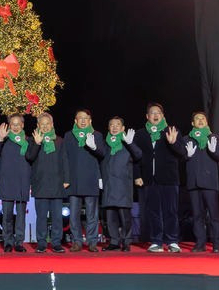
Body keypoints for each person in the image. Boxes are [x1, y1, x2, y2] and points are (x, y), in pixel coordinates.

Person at [134, 102, 185, 253]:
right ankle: (156, 241)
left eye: (158, 113)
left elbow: (182, 153)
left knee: (171, 211)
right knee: (153, 211)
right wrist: (137, 175)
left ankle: (172, 241)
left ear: (163, 116)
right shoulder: (141, 134)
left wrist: (174, 143)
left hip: (169, 178)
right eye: (152, 113)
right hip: (149, 179)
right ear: (147, 116)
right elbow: (135, 157)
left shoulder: (172, 130)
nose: (155, 115)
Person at [0, 113, 39, 253]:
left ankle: (19, 242)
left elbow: (30, 157)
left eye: (18, 124)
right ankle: (7, 242)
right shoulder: (4, 140)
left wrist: (36, 144)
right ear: (9, 125)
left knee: (20, 216)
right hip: (6, 181)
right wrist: (0, 138)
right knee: (6, 216)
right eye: (13, 124)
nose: (16, 126)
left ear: (23, 125)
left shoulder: (28, 140)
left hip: (22, 181)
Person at [62, 109, 106, 252]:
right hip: (73, 181)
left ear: (90, 120)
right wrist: (66, 178)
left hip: (91, 179)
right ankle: (77, 241)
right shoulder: (69, 136)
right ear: (75, 121)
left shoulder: (97, 135)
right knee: (73, 214)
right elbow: (65, 158)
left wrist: (94, 147)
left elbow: (102, 154)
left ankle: (92, 242)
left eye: (85, 118)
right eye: (79, 118)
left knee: (92, 214)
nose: (82, 120)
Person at [183, 111, 219, 253]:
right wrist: (186, 156)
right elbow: (181, 158)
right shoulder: (187, 139)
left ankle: (217, 244)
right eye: (197, 119)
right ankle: (200, 243)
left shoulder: (214, 138)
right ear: (192, 123)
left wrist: (213, 151)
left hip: (210, 182)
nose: (200, 121)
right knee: (197, 215)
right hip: (194, 182)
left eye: (203, 119)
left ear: (207, 122)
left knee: (214, 214)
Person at [28, 112, 68, 254]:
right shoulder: (33, 140)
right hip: (40, 184)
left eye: (47, 124)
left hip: (57, 184)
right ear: (38, 126)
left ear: (52, 125)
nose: (45, 126)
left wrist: (66, 180)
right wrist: (37, 143)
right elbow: (29, 157)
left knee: (57, 217)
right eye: (42, 124)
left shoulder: (59, 141)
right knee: (41, 217)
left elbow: (65, 161)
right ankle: (42, 243)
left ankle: (56, 243)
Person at [99, 117, 141, 252]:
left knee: (125, 217)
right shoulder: (105, 144)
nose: (114, 127)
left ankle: (126, 241)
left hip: (123, 184)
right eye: (111, 125)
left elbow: (139, 155)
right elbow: (99, 161)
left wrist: (130, 143)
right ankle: (114, 241)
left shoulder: (127, 142)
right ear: (108, 128)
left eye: (118, 125)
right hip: (109, 184)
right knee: (110, 217)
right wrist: (100, 178)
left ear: (123, 128)